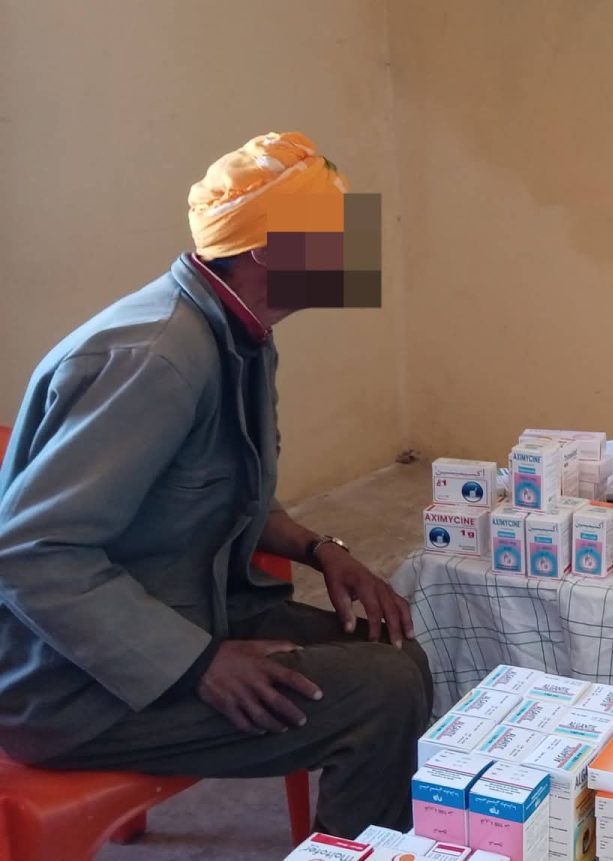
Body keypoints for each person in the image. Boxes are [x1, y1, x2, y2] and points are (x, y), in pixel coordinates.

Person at [0, 132, 431, 838]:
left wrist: (323, 549)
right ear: (265, 251)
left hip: (191, 608)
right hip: (75, 684)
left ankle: (355, 844)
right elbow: (32, 553)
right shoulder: (155, 359)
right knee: (378, 695)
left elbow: (222, 492)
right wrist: (198, 664)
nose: (351, 249)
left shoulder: (238, 330)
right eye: (333, 232)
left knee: (397, 653)